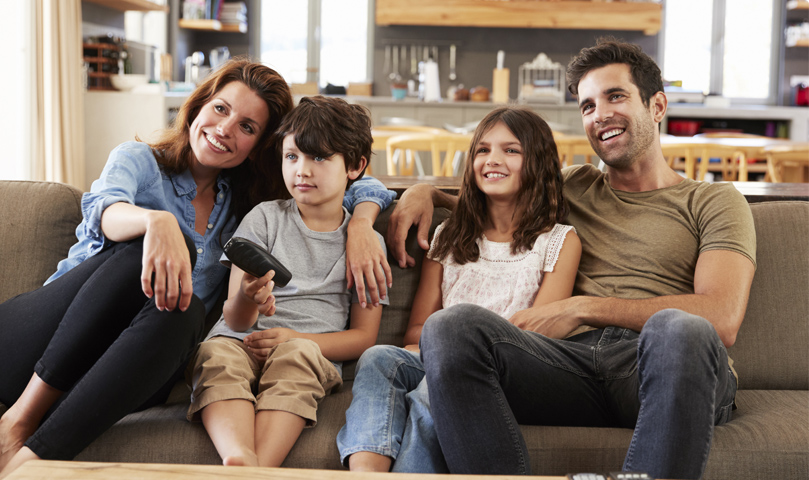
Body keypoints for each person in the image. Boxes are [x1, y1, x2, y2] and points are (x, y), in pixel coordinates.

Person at [0, 59, 395, 480]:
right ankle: (20, 418)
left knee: (187, 311)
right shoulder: (139, 160)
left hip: (118, 377)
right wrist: (154, 222)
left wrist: (362, 223)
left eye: (247, 127)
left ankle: (35, 459)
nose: (226, 129)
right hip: (35, 347)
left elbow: (348, 177)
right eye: (220, 108)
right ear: (197, 106)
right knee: (142, 254)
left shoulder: (248, 203)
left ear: (258, 146)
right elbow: (105, 214)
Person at [387, 38, 756, 480]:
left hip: (661, 362)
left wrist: (582, 308)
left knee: (679, 328)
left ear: (657, 105)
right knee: (451, 326)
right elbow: (493, 197)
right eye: (587, 106)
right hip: (567, 365)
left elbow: (722, 317)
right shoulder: (572, 185)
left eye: (615, 96)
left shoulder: (713, 201)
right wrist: (423, 193)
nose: (600, 114)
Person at [337, 106, 581, 473]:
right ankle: (365, 473)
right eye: (483, 149)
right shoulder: (448, 236)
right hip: (436, 356)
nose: (492, 159)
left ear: (539, 162)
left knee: (438, 383)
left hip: (508, 372)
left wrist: (454, 354)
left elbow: (538, 337)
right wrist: (440, 350)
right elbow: (416, 331)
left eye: (510, 150)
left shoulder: (559, 241)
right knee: (378, 358)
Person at [187, 95, 388, 468]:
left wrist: (295, 338)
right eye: (292, 156)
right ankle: (239, 457)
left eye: (319, 158)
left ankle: (258, 469)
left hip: (308, 349)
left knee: (296, 357)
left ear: (355, 166)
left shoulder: (367, 246)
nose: (302, 171)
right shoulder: (264, 218)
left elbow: (364, 337)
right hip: (241, 340)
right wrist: (247, 297)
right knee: (215, 355)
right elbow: (235, 320)